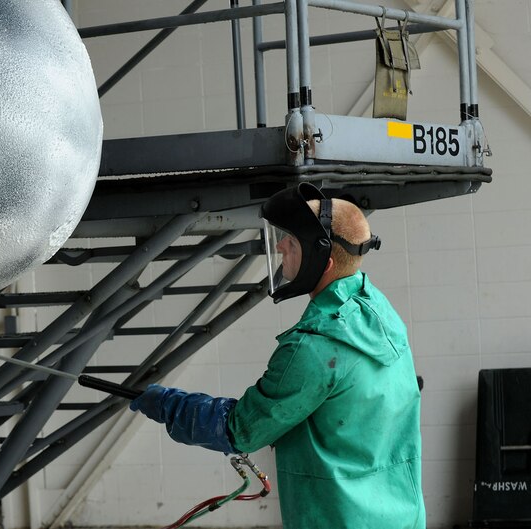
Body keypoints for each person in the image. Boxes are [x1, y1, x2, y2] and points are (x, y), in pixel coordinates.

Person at [129, 183, 424, 529]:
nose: (281, 245)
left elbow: (239, 430)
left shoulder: (315, 346)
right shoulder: (378, 313)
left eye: (293, 242)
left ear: (323, 261)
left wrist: (168, 404)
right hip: (400, 517)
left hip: (338, 519)